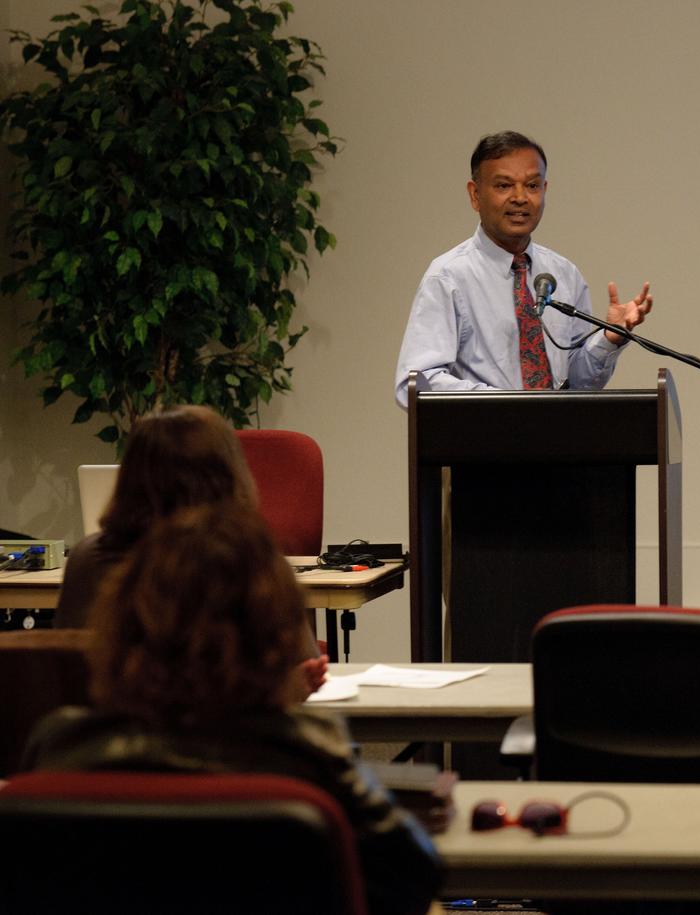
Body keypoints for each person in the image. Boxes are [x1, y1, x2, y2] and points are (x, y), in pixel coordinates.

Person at [24, 503, 442, 915]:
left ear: (119, 626)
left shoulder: (61, 747)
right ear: (277, 634)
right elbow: (412, 877)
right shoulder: (309, 751)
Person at [55, 404, 325, 696]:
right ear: (228, 473)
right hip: (228, 724)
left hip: (121, 720)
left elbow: (66, 669)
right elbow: (299, 666)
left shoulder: (88, 557)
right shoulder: (250, 558)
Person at [394, 130, 653, 406]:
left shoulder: (564, 274)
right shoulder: (448, 277)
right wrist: (508, 406)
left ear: (545, 190)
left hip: (556, 432)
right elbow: (417, 383)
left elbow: (577, 385)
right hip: (482, 432)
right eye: (504, 186)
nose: (520, 197)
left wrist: (609, 338)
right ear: (475, 195)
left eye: (532, 185)